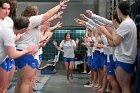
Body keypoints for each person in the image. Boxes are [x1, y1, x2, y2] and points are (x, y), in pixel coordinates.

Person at [14, 1, 69, 93]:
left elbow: (46, 19)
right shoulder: (31, 20)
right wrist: (59, 6)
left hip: (21, 51)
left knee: (21, 81)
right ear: (34, 13)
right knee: (26, 82)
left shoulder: (25, 21)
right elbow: (47, 15)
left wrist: (54, 17)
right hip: (26, 53)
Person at [96, 1, 137, 93]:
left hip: (124, 59)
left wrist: (105, 31)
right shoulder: (128, 23)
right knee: (124, 86)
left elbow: (115, 41)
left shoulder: (126, 24)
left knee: (125, 87)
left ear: (119, 10)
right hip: (125, 58)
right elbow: (113, 42)